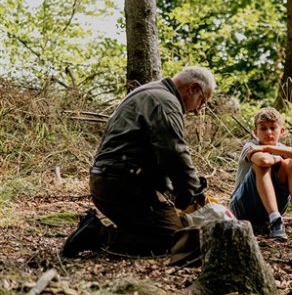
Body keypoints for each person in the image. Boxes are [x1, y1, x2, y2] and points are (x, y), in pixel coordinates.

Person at [61, 66, 216, 258]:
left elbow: (157, 156)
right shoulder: (165, 103)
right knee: (174, 239)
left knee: (170, 226)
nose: (198, 109)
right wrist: (190, 192)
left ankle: (118, 229)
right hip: (121, 185)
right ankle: (97, 235)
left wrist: (181, 191)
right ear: (193, 88)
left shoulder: (153, 92)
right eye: (202, 100)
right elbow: (174, 153)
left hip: (111, 180)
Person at [229, 107, 292, 241]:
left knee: (291, 163)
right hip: (243, 208)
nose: (268, 132)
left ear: (281, 131)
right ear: (255, 132)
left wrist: (268, 148)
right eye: (263, 128)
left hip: (265, 210)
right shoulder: (250, 146)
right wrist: (278, 157)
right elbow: (263, 160)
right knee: (261, 166)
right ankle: (275, 221)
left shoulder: (278, 148)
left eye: (273, 128)